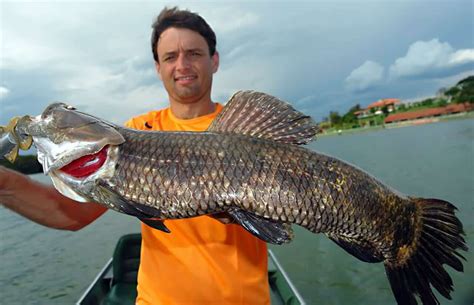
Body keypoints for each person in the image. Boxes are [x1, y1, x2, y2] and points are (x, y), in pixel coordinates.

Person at [0, 7, 270, 305]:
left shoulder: (250, 132)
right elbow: (74, 213)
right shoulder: (130, 134)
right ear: (157, 67)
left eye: (193, 53)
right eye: (170, 56)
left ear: (214, 60)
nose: (182, 64)